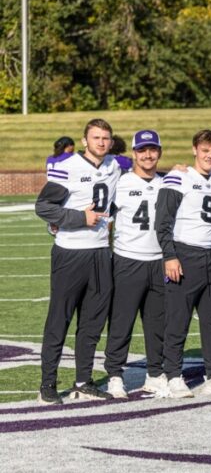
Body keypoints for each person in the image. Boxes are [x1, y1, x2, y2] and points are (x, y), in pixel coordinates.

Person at [34, 119, 121, 404]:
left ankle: (83, 381)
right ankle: (47, 385)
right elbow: (44, 207)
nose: (101, 142)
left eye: (106, 138)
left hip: (100, 253)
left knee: (93, 322)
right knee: (59, 319)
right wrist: (76, 219)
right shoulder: (68, 166)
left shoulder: (115, 166)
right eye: (96, 137)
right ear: (85, 140)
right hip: (70, 253)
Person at [155, 129, 211, 398]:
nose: (210, 156)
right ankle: (173, 376)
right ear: (194, 150)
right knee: (178, 319)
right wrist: (170, 256)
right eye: (205, 151)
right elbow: (162, 221)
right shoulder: (178, 177)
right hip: (184, 254)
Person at [103, 130, 166, 398]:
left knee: (157, 323)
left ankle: (155, 373)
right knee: (121, 321)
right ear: (134, 154)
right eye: (142, 150)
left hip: (158, 261)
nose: (148, 155)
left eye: (152, 150)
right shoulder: (121, 183)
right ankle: (115, 375)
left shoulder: (167, 183)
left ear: (159, 153)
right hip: (128, 260)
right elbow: (102, 214)